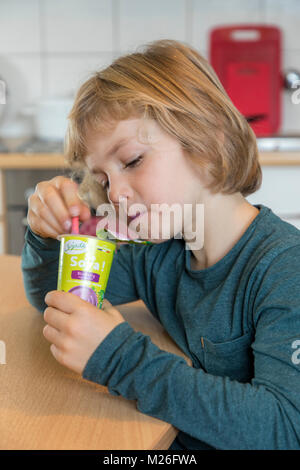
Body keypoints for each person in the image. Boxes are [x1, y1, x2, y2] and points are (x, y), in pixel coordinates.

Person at [21, 39, 300, 450]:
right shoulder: (157, 254)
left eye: (132, 161)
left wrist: (121, 359)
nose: (114, 194)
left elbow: (284, 429)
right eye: (102, 179)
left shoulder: (285, 269)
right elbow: (56, 297)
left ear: (207, 141)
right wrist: (46, 237)